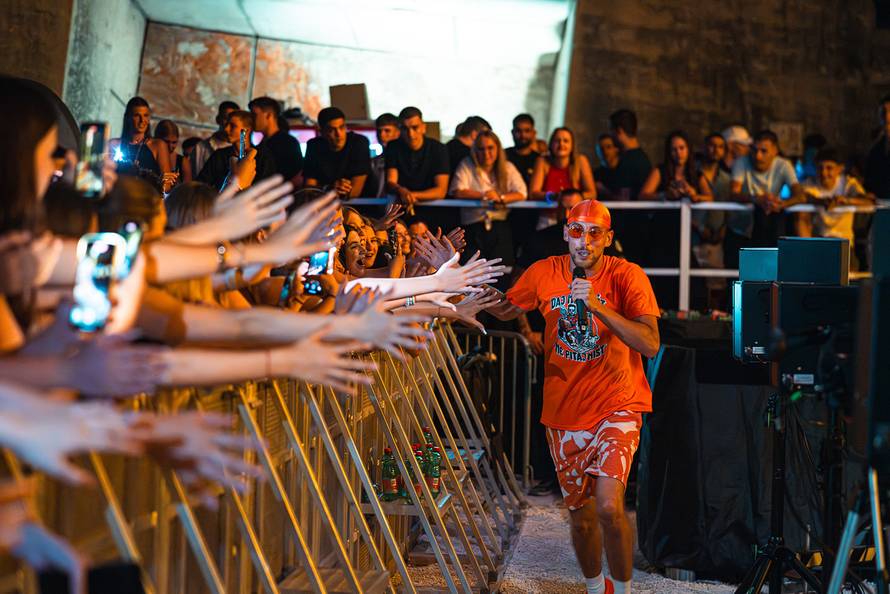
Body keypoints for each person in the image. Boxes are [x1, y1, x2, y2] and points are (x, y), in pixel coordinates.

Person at [487, 199, 660, 594]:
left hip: (619, 403)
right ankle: (597, 587)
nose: (585, 240)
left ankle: (624, 589)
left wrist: (599, 307)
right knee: (580, 517)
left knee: (608, 506)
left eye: (595, 232)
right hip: (564, 410)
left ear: (608, 239)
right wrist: (461, 281)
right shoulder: (543, 272)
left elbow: (650, 344)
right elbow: (503, 308)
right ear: (566, 232)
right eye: (577, 230)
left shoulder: (627, 276)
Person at [449, 131, 526, 281]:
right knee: (473, 276)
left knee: (501, 274)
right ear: (474, 150)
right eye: (481, 149)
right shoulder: (467, 164)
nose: (486, 153)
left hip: (499, 228)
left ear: (497, 148)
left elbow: (522, 193)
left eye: (490, 148)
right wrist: (485, 195)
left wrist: (501, 198)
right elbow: (457, 190)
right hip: (472, 229)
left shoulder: (507, 167)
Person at [730, 129, 805, 253]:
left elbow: (800, 195)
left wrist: (780, 204)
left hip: (769, 227)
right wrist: (757, 199)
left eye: (763, 151)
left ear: (775, 151)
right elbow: (733, 193)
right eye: (754, 150)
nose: (758, 156)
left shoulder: (783, 165)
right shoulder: (741, 162)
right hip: (740, 230)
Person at [799, 147, 875, 269]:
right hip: (819, 244)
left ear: (840, 169)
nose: (824, 173)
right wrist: (821, 201)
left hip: (844, 244)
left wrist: (846, 200)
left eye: (829, 168)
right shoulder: (809, 183)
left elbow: (868, 202)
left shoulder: (848, 183)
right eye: (820, 168)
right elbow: (802, 197)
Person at [384, 106, 451, 229]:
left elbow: (441, 191)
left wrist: (408, 194)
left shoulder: (438, 149)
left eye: (415, 127)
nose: (410, 134)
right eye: (405, 128)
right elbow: (390, 181)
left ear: (423, 127)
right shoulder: (393, 147)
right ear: (400, 129)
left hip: (433, 213)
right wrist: (401, 190)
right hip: (403, 215)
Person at [529, 127, 596, 229]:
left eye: (566, 141)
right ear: (551, 144)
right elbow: (533, 193)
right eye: (557, 140)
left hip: (577, 219)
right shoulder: (542, 161)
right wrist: (553, 196)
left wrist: (571, 198)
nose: (561, 144)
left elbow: (592, 193)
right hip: (548, 219)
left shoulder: (581, 161)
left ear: (572, 145)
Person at [196, 110, 275, 191]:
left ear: (246, 130)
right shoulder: (219, 155)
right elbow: (201, 183)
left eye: (233, 126)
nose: (226, 129)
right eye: (226, 124)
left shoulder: (263, 157)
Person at [303, 107, 371, 198]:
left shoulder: (359, 142)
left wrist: (326, 190)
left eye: (342, 127)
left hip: (363, 205)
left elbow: (354, 192)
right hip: (326, 206)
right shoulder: (314, 146)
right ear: (322, 132)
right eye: (331, 130)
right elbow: (309, 190)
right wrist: (330, 188)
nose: (338, 134)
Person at [109, 97, 172, 192]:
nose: (142, 120)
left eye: (146, 115)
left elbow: (167, 184)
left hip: (146, 201)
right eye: (137, 115)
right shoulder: (113, 144)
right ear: (128, 117)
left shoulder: (158, 145)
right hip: (120, 199)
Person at [248, 96, 304, 184]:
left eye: (254, 115)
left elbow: (296, 176)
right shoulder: (261, 144)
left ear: (268, 115)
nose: (251, 119)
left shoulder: (288, 143)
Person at [191, 100, 239, 175]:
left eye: (233, 122)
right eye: (226, 118)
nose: (228, 125)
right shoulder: (201, 148)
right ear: (218, 119)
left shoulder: (239, 150)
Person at [864, 93, 890, 201]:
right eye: (883, 111)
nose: (886, 116)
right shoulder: (875, 151)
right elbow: (871, 183)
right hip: (882, 209)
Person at [369, 112, 400, 197]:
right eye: (379, 131)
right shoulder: (373, 162)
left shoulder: (405, 159)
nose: (382, 135)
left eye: (387, 131)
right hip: (377, 206)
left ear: (398, 132)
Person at [155, 120, 193, 187]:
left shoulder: (183, 162)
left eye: (174, 142)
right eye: (166, 142)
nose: (170, 146)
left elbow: (187, 190)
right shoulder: (150, 155)